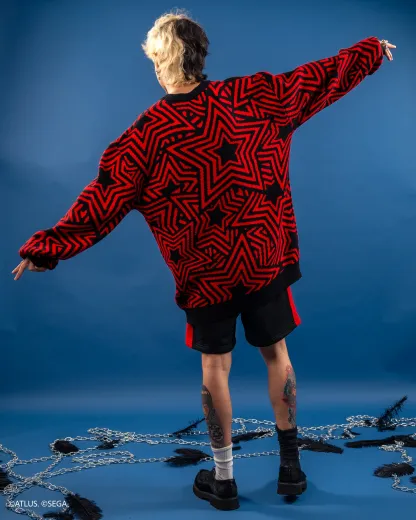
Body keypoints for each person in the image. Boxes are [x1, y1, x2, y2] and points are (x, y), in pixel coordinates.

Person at [12, 9, 395, 511]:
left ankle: (224, 479)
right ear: (201, 55)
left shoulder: (144, 136)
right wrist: (369, 51)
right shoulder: (255, 97)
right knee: (276, 354)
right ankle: (291, 469)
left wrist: (47, 249)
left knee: (216, 365)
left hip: (206, 274)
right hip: (262, 259)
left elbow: (101, 200)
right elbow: (317, 78)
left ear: (160, 63)